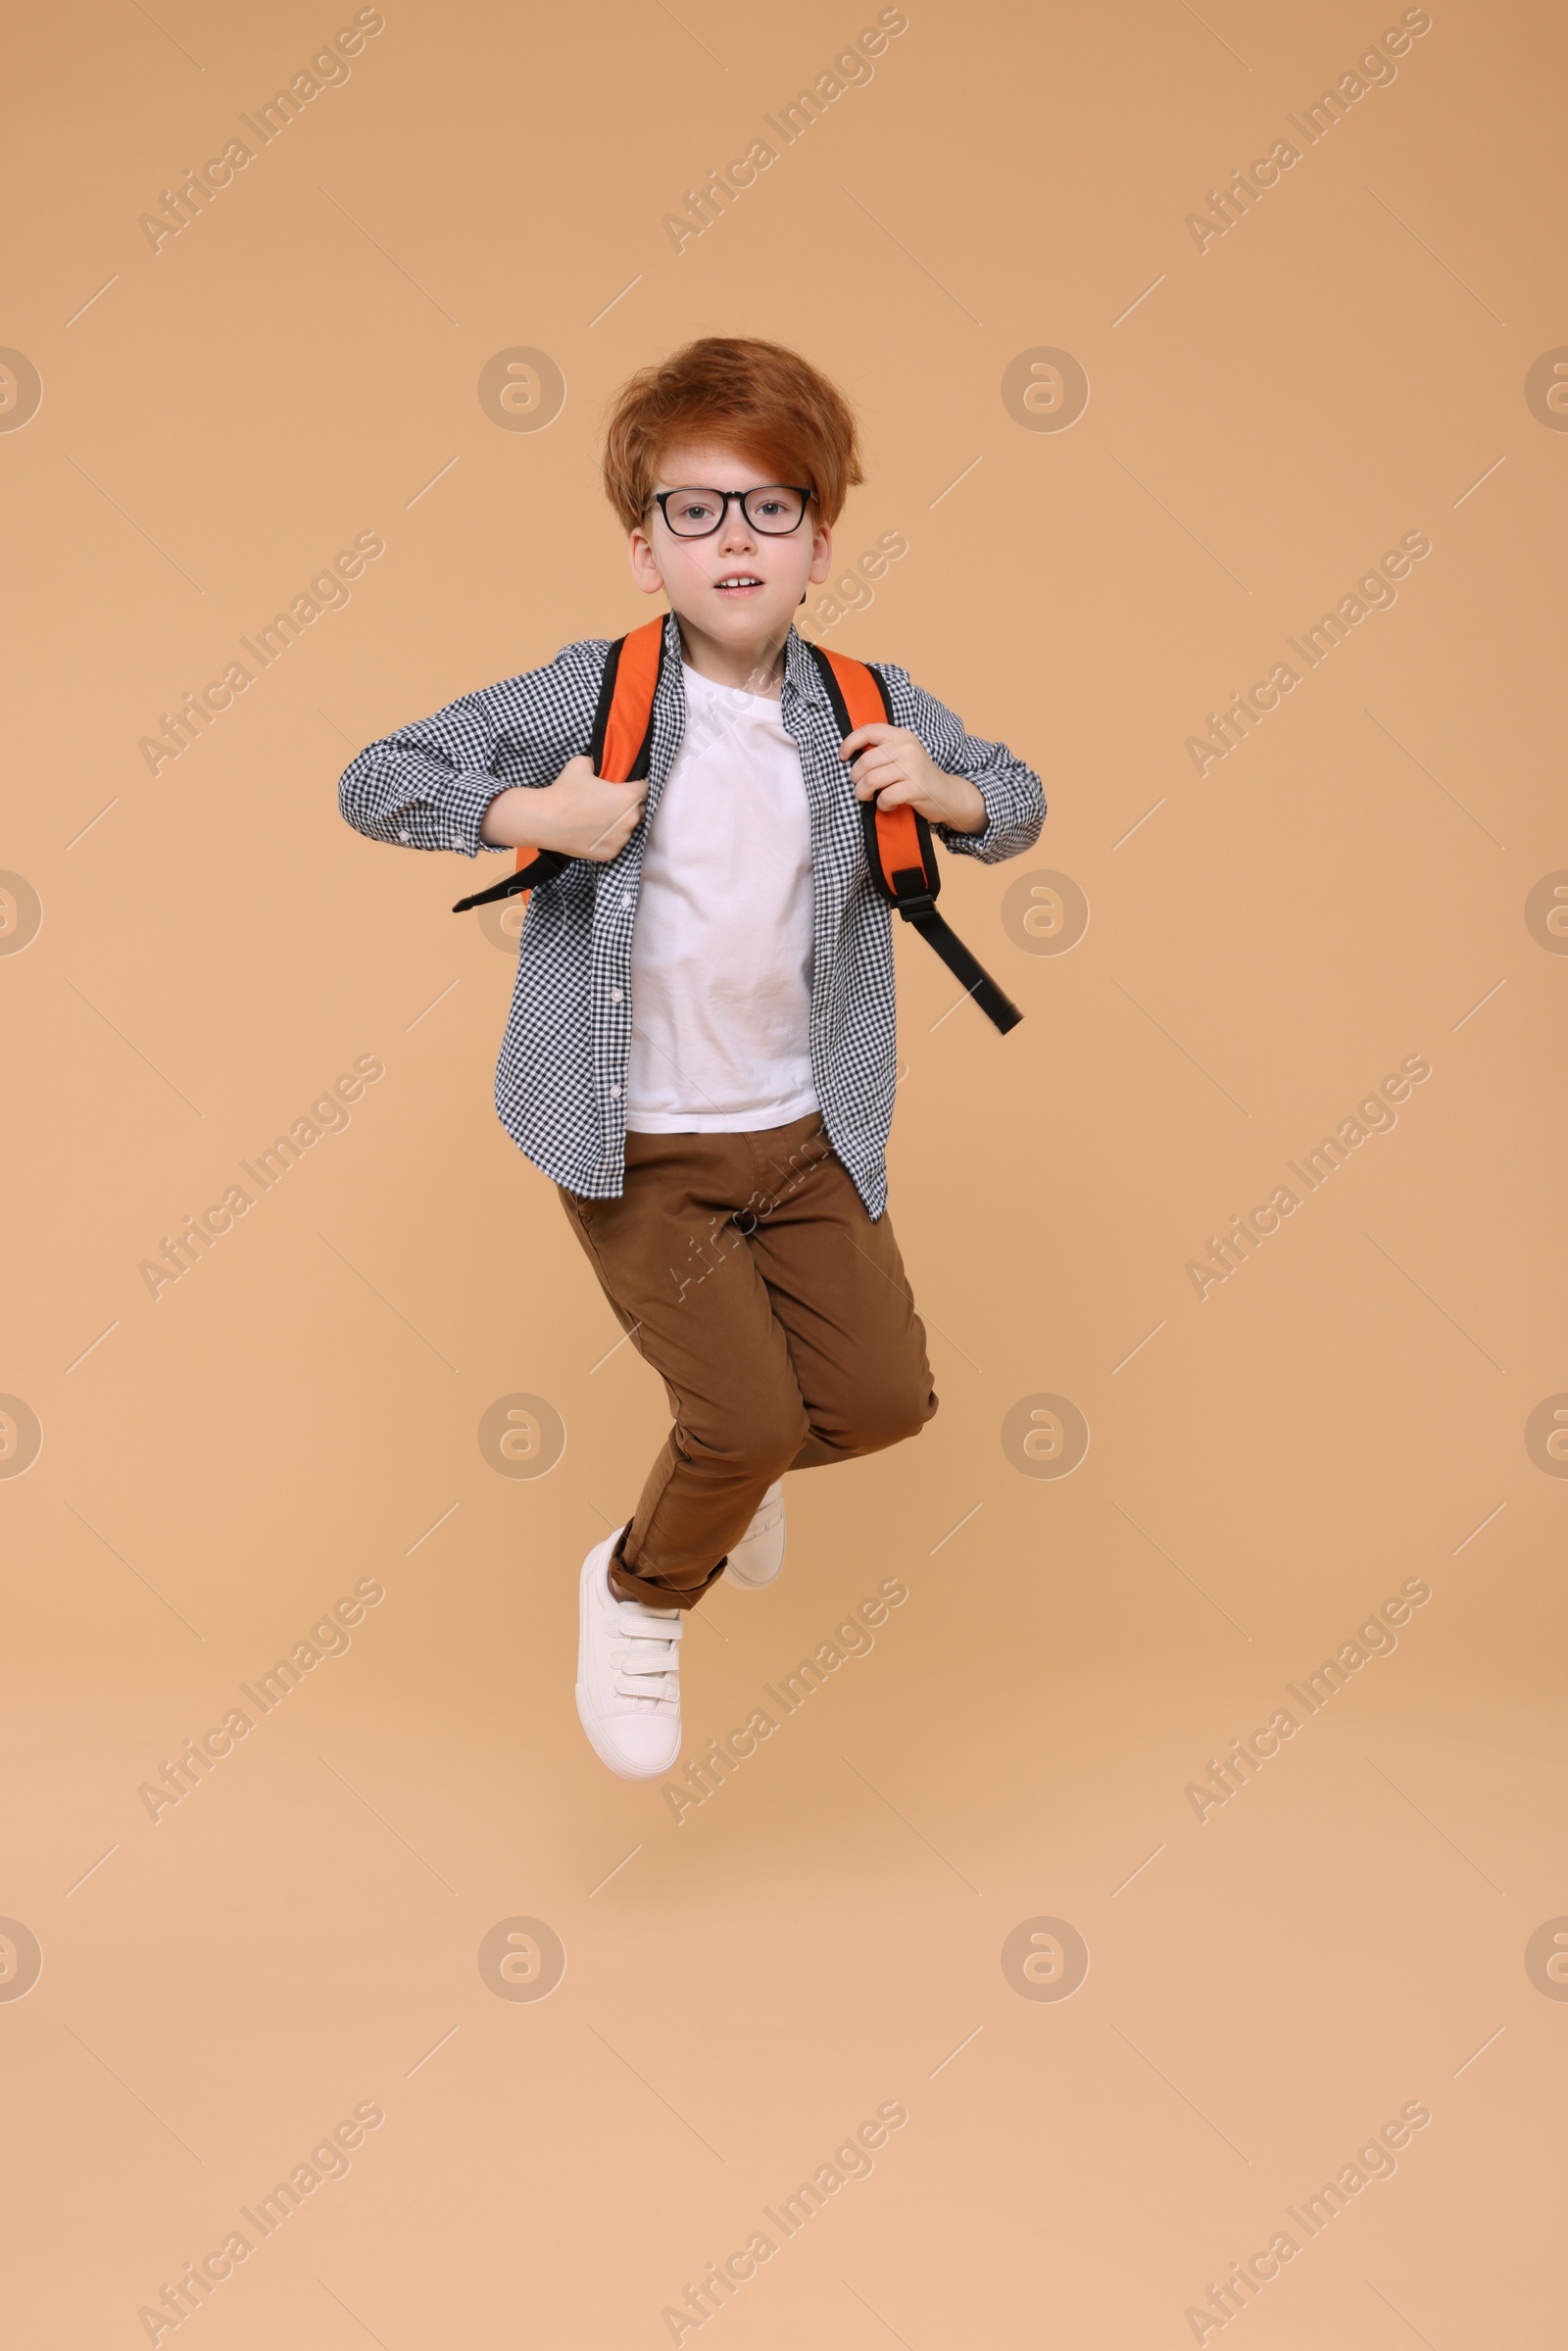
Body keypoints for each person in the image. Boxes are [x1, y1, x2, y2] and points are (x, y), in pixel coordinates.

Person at [338, 335, 1046, 1781]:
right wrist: (536, 814)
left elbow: (1023, 801)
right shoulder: (594, 689)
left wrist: (952, 790)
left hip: (805, 1131)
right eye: (695, 509)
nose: (736, 537)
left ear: (822, 541)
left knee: (880, 1407)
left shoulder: (865, 700)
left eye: (772, 507)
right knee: (742, 1421)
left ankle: (718, 1489)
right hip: (633, 1140)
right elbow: (376, 776)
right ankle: (637, 1592)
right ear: (644, 548)